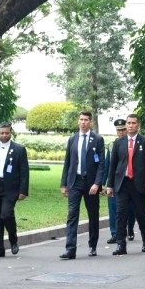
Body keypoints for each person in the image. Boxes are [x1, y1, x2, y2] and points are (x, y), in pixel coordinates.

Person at [106, 113, 145, 255]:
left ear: (138, 125)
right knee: (121, 214)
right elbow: (113, 165)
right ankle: (121, 245)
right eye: (128, 123)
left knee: (140, 214)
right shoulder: (118, 143)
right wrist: (110, 185)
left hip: (138, 184)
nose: (131, 125)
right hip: (122, 183)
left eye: (133, 123)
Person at [59, 111, 105, 259]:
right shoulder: (72, 139)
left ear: (90, 122)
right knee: (72, 214)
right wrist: (64, 183)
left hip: (91, 183)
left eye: (86, 120)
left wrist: (97, 183)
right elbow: (67, 162)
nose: (83, 122)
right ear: (78, 121)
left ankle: (92, 245)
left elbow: (101, 164)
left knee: (93, 214)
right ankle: (70, 249)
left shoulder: (97, 139)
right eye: (81, 119)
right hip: (75, 181)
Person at [0, 122, 29, 258]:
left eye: (6, 133)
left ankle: (13, 239)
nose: (4, 135)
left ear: (10, 133)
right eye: (2, 133)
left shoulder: (19, 149)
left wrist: (23, 191)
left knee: (6, 214)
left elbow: (24, 171)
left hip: (10, 188)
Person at [101, 119, 135, 244]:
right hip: (115, 181)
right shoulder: (112, 145)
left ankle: (130, 228)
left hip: (129, 181)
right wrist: (104, 183)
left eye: (123, 130)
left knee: (131, 208)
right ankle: (115, 233)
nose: (120, 132)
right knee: (113, 207)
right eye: (118, 130)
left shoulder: (133, 143)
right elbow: (107, 165)